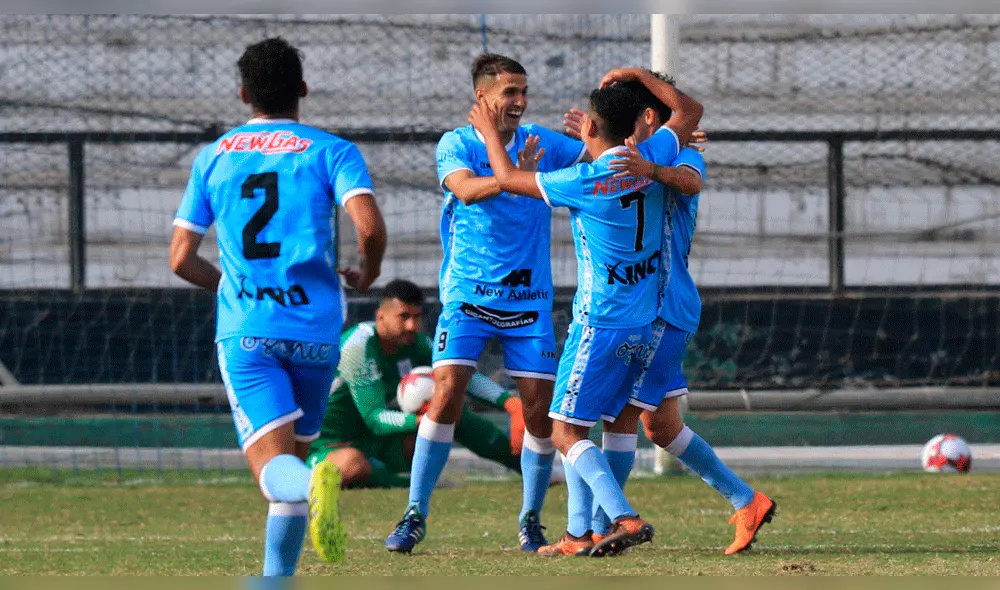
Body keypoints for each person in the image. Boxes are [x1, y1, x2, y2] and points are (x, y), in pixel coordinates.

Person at [169, 37, 387, 575]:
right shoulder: (331, 150)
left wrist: (230, 287)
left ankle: (314, 482)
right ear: (303, 90)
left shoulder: (213, 157)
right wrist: (368, 273)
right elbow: (369, 227)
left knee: (276, 473)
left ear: (244, 93)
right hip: (316, 330)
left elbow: (180, 259)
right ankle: (275, 581)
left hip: (249, 331)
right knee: (289, 467)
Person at [467, 67, 702, 557]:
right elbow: (690, 111)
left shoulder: (583, 179)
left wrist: (489, 133)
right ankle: (578, 534)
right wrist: (638, 74)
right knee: (607, 422)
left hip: (598, 322)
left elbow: (506, 179)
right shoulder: (653, 156)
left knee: (565, 430)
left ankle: (623, 517)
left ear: (590, 127)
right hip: (643, 322)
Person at [384, 53, 588, 554]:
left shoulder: (542, 142)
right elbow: (466, 190)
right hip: (468, 297)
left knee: (539, 411)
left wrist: (651, 139)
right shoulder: (456, 143)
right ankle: (415, 513)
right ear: (482, 96)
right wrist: (515, 176)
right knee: (446, 390)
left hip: (529, 300)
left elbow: (600, 154)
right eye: (509, 92)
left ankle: (530, 519)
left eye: (524, 92)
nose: (519, 101)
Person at [569, 71, 777, 556]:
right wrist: (590, 144)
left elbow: (689, 180)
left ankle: (597, 528)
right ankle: (745, 500)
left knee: (615, 418)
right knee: (655, 424)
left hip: (661, 307)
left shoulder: (679, 153)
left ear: (647, 115)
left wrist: (648, 162)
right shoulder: (629, 157)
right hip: (649, 307)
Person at [306, 279, 526, 488]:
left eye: (417, 317)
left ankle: (529, 467)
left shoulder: (417, 343)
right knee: (352, 464)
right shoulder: (358, 346)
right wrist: (426, 420)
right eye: (403, 317)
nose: (412, 325)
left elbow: (462, 375)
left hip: (376, 440)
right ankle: (401, 482)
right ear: (381, 317)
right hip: (327, 444)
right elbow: (374, 418)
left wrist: (511, 403)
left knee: (452, 412)